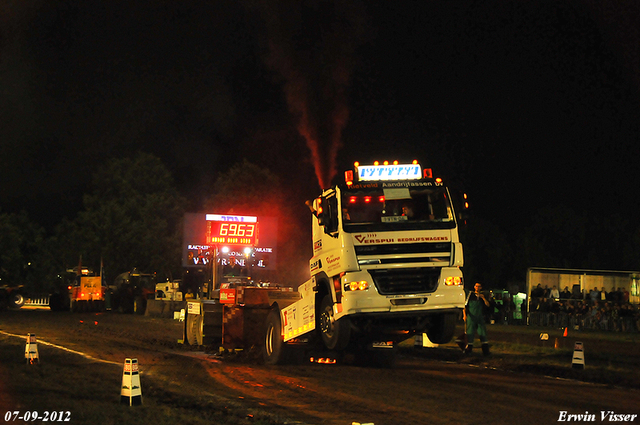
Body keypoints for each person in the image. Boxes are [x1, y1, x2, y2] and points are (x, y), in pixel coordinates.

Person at [464, 282, 491, 356]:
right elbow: (465, 306)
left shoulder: (484, 295)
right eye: (476, 286)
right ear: (474, 287)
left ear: (481, 287)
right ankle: (468, 351)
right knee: (470, 333)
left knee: (482, 333)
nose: (477, 288)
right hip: (471, 317)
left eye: (479, 286)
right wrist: (464, 315)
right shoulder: (470, 295)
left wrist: (483, 298)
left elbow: (488, 305)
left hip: (480, 317)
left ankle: (486, 351)